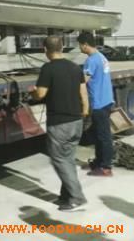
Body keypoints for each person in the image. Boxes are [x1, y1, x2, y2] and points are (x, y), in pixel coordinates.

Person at [33, 36, 89, 212]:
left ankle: (77, 198)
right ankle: (66, 195)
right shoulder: (75, 67)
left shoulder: (48, 68)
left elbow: (41, 94)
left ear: (45, 50)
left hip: (60, 123)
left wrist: (33, 92)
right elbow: (83, 92)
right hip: (76, 120)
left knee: (59, 160)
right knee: (68, 159)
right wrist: (85, 110)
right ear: (62, 47)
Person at [77, 31, 115, 176]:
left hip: (99, 103)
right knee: (99, 134)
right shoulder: (101, 57)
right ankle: (98, 162)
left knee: (104, 136)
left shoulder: (91, 60)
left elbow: (84, 81)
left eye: (80, 45)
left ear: (85, 45)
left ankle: (106, 167)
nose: (79, 48)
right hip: (106, 100)